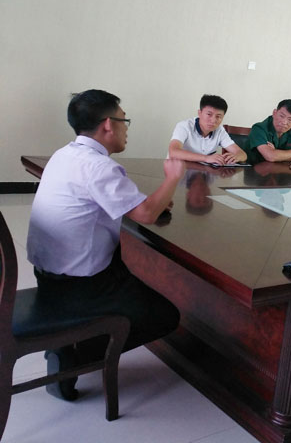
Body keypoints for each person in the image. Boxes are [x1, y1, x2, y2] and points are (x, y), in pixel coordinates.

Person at [26, 89, 183, 401]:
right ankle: (76, 357)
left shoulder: (64, 154)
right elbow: (146, 214)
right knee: (166, 315)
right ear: (109, 124)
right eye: (125, 121)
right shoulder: (99, 167)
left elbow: (119, 201)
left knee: (126, 265)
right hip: (80, 284)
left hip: (46, 275)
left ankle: (69, 346)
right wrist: (173, 178)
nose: (127, 129)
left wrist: (149, 202)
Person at [168, 94, 246, 165]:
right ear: (199, 113)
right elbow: (173, 152)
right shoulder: (184, 126)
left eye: (218, 116)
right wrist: (206, 158)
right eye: (209, 114)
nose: (213, 120)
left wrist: (236, 157)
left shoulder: (219, 130)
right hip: (178, 171)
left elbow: (242, 154)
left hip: (202, 172)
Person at [247, 99, 291, 164]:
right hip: (254, 169)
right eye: (281, 116)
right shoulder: (259, 128)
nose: (284, 122)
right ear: (274, 113)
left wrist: (277, 154)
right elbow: (270, 157)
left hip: (283, 169)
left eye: (290, 119)